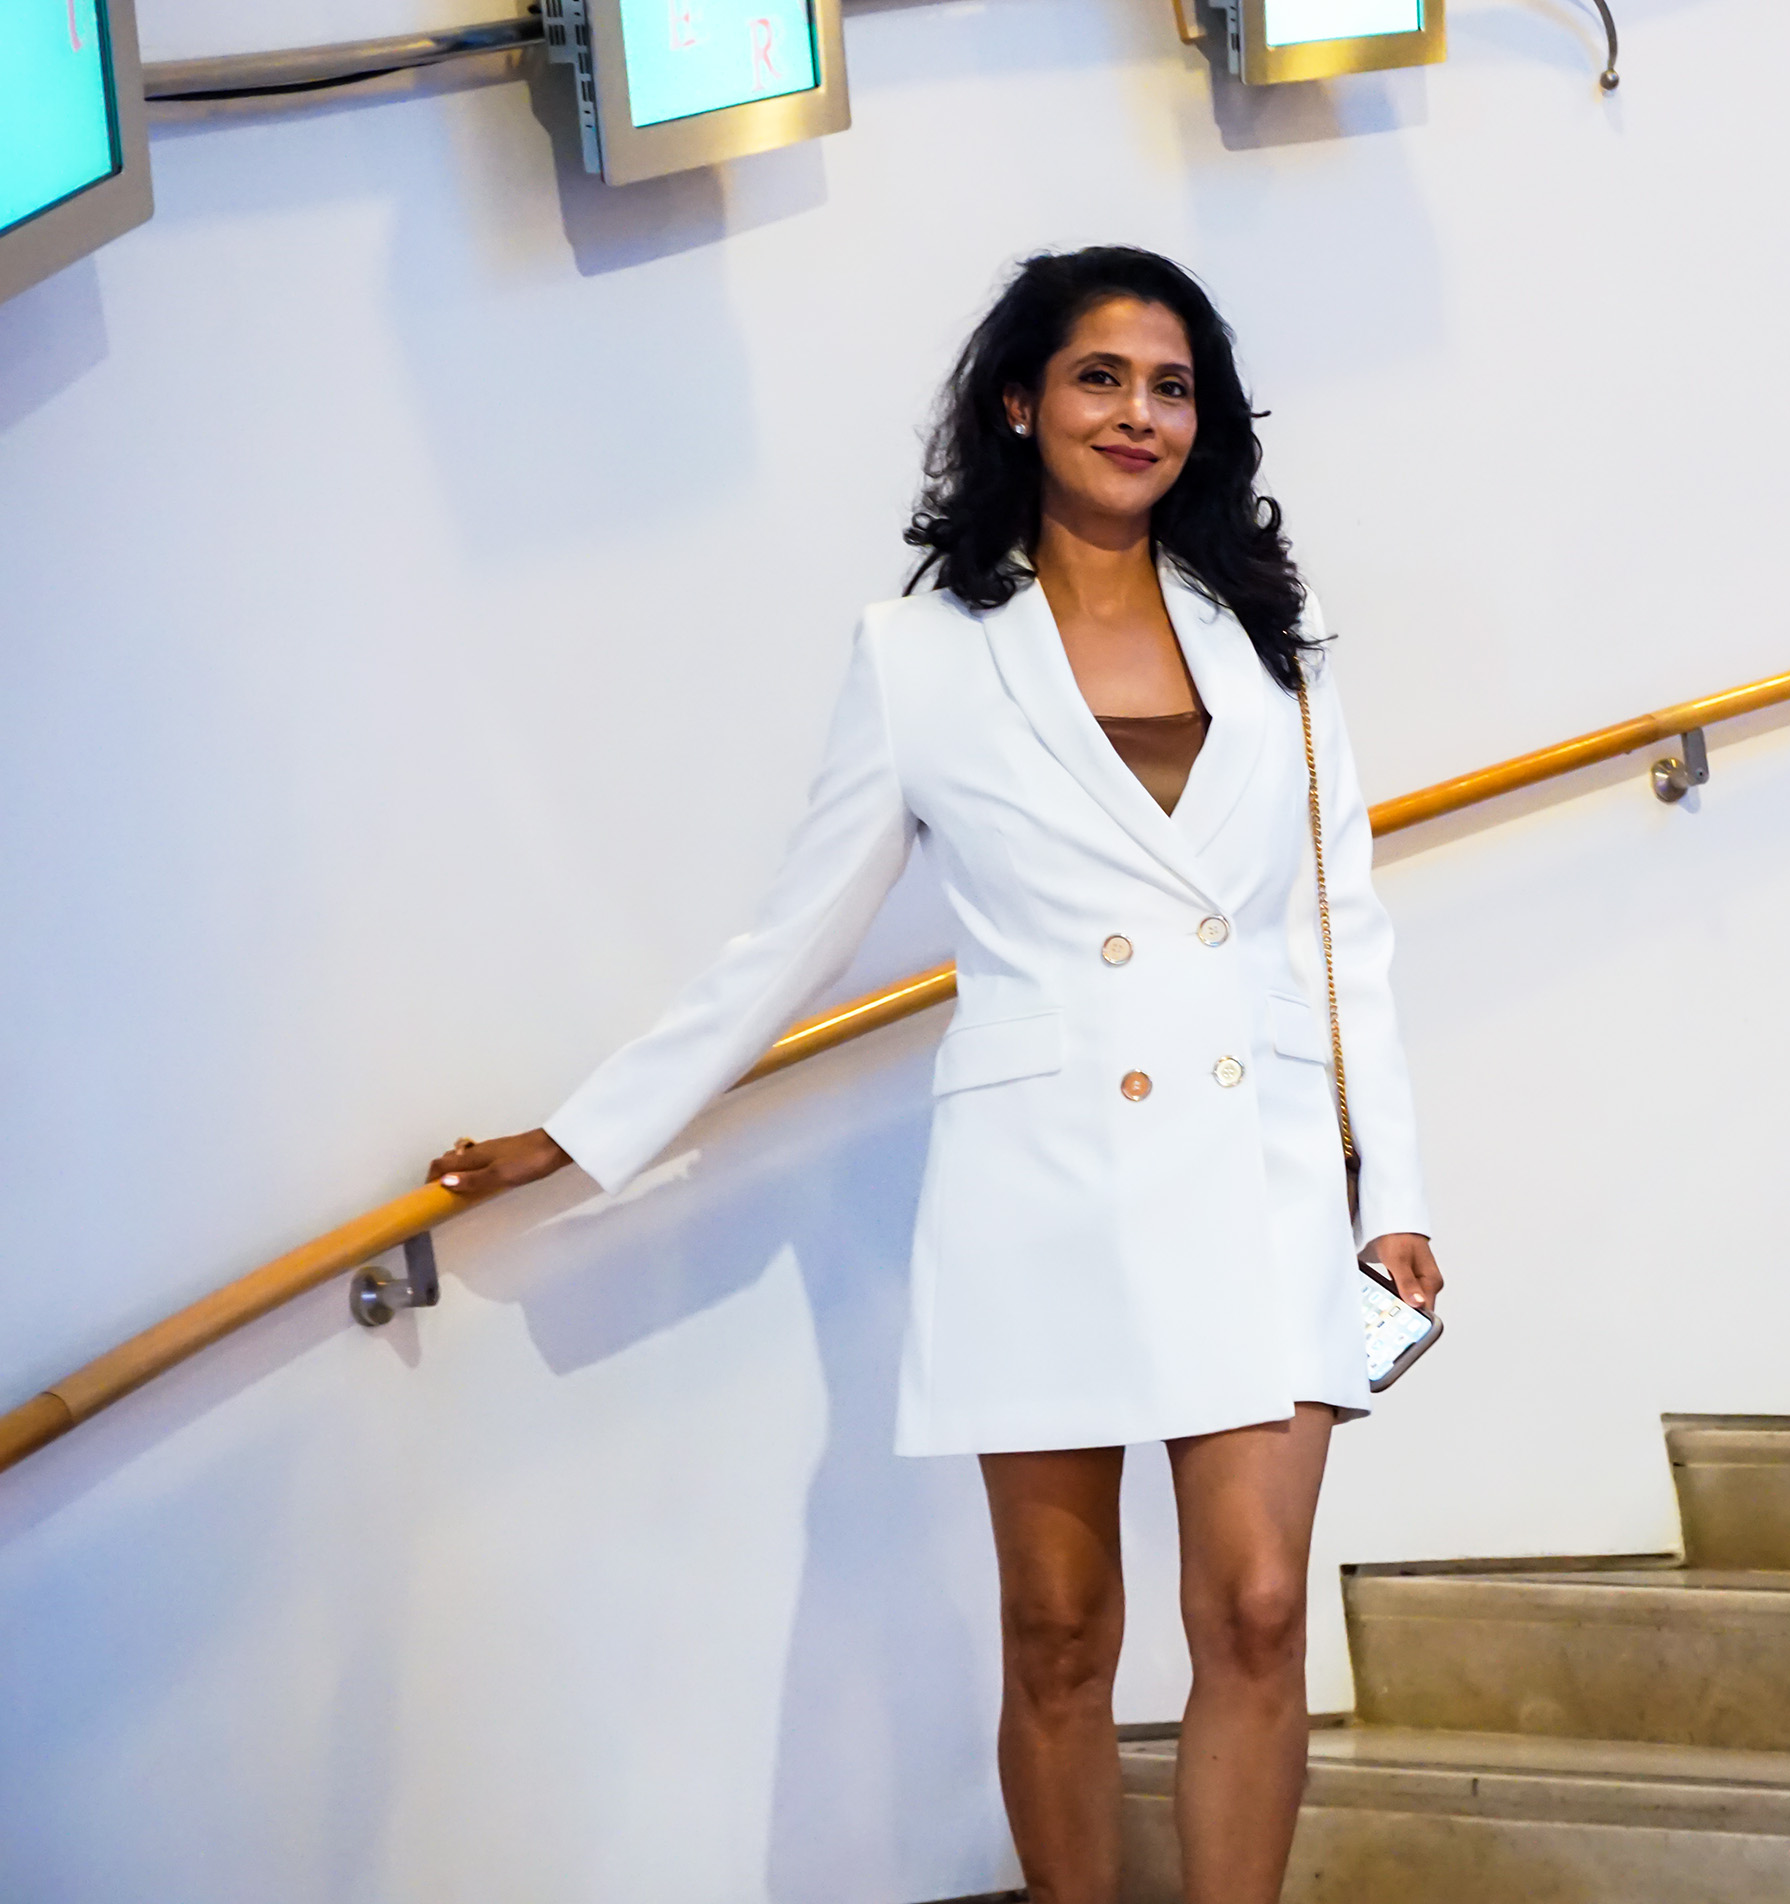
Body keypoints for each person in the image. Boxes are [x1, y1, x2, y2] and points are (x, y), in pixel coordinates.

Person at [429, 246, 1442, 1904]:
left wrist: (1390, 1193)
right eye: (1102, 377)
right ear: (1019, 403)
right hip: (1044, 1187)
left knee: (1257, 1605)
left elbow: (1344, 932)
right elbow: (791, 940)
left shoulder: (1280, 644)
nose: (1139, 413)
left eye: (1172, 384)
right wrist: (585, 1127)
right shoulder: (922, 657)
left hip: (1257, 1173)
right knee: (1058, 1634)